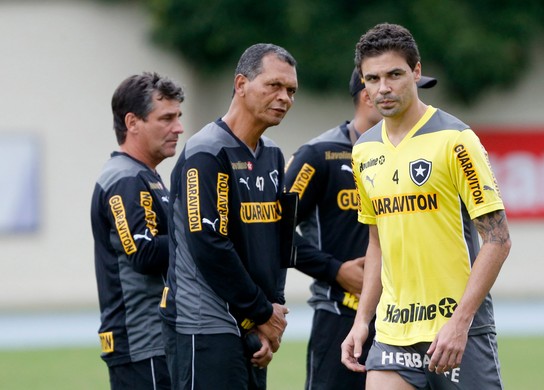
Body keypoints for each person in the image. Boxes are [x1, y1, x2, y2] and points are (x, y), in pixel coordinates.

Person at [341, 23, 512, 390]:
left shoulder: (455, 139)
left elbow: (498, 240)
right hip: (393, 331)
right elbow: (377, 242)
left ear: (416, 72)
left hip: (455, 330)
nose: (383, 88)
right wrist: (362, 320)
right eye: (372, 78)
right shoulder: (364, 150)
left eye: (394, 74)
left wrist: (460, 322)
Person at [285, 68, 436, 390]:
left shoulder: (419, 153)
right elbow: (271, 230)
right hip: (340, 314)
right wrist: (335, 270)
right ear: (368, 96)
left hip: (407, 316)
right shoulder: (318, 154)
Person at [159, 43, 297, 390]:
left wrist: (273, 311)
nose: (284, 98)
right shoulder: (207, 152)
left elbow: (279, 240)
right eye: (274, 86)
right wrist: (263, 313)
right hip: (206, 326)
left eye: (291, 90)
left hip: (254, 325)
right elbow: (209, 243)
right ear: (240, 85)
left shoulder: (273, 156)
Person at [91, 72, 185, 389]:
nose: (178, 128)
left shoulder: (147, 176)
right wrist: (201, 235)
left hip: (157, 340)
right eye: (167, 118)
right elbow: (143, 253)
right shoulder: (125, 179)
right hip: (141, 343)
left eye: (179, 117)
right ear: (133, 122)